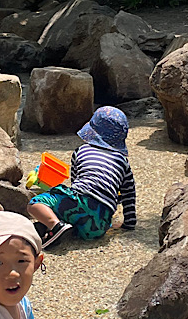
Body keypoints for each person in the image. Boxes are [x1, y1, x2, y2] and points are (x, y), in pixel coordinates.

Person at [28, 105, 137, 248]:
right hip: (100, 224)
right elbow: (129, 193)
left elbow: (75, 187)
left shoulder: (81, 150)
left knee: (35, 204)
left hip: (79, 201)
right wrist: (129, 223)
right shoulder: (122, 161)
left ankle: (55, 225)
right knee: (79, 215)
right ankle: (61, 229)